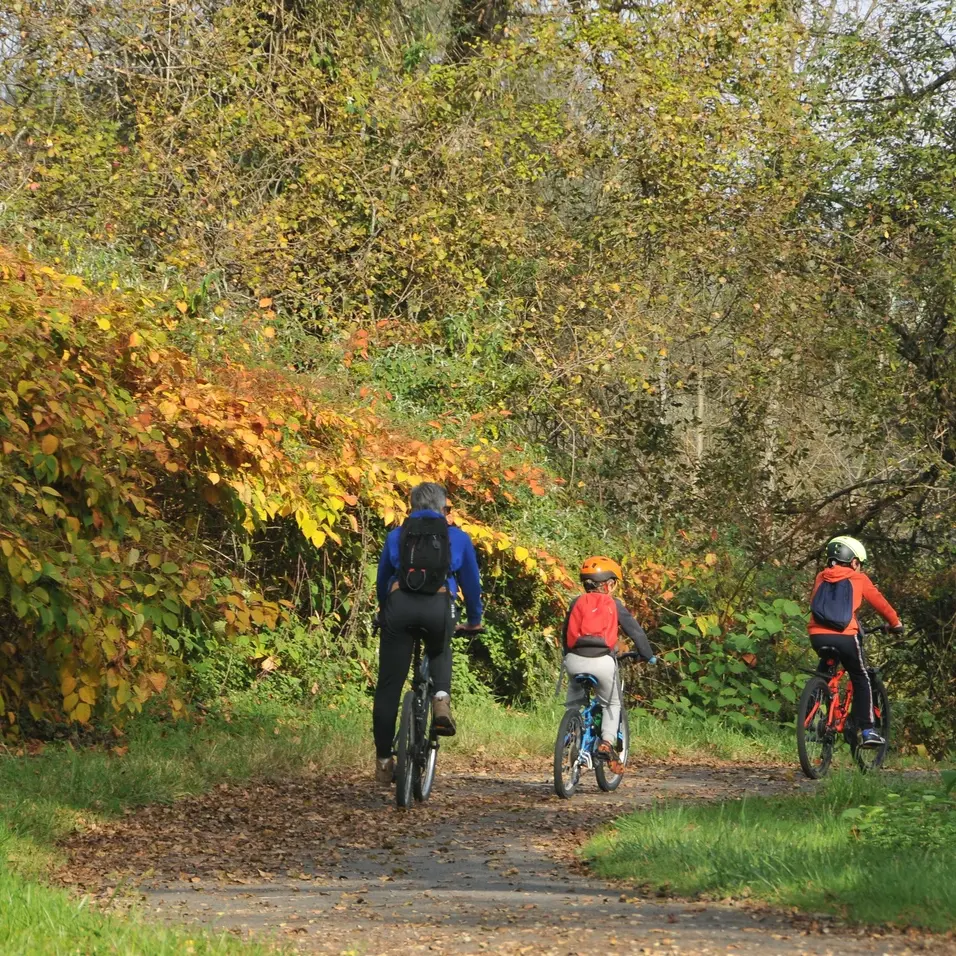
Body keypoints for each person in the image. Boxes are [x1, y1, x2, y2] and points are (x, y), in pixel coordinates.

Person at [372, 482, 483, 784]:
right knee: (440, 646)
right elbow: (471, 585)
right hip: (438, 606)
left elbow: (383, 581)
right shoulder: (457, 537)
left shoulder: (396, 535)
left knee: (388, 687)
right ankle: (441, 700)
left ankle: (384, 760)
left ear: (412, 506)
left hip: (399, 607)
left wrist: (385, 612)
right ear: (443, 508)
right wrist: (474, 620)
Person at [562, 556, 656, 775]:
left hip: (574, 660)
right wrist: (647, 655)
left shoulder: (575, 603)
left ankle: (571, 732)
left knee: (574, 702)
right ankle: (606, 743)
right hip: (603, 662)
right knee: (612, 704)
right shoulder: (614, 604)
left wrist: (568, 657)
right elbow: (636, 632)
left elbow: (564, 634)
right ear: (608, 584)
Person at [808, 535, 903, 748]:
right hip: (845, 637)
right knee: (860, 677)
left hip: (817, 635)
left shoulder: (821, 577)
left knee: (824, 673)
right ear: (853, 561)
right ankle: (868, 731)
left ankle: (810, 716)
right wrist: (895, 623)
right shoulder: (858, 579)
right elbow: (880, 603)